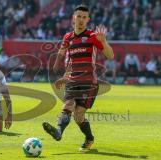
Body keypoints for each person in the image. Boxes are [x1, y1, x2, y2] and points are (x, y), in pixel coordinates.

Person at [42, 5, 114, 151]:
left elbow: (110, 55)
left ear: (88, 20)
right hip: (72, 81)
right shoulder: (68, 37)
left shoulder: (93, 36)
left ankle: (89, 138)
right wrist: (64, 77)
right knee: (67, 106)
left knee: (78, 115)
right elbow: (70, 61)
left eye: (84, 17)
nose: (81, 20)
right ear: (73, 18)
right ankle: (58, 132)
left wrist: (104, 42)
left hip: (89, 83)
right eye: (78, 16)